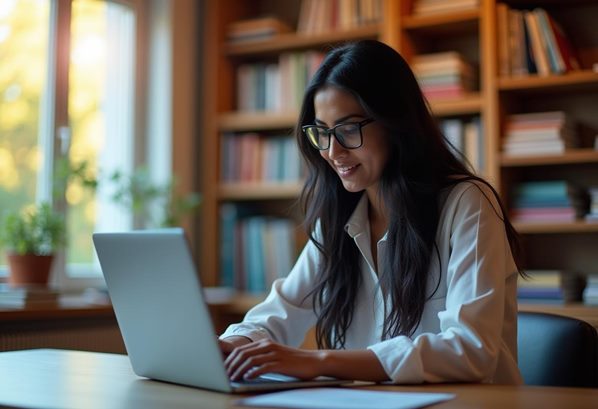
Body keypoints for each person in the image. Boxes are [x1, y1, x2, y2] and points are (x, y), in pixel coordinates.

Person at [218, 40, 524, 385]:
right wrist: (229, 346)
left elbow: (469, 351)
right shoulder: (339, 220)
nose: (333, 152)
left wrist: (319, 361)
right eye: (322, 132)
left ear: (396, 123)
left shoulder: (467, 203)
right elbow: (280, 313)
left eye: (349, 129)